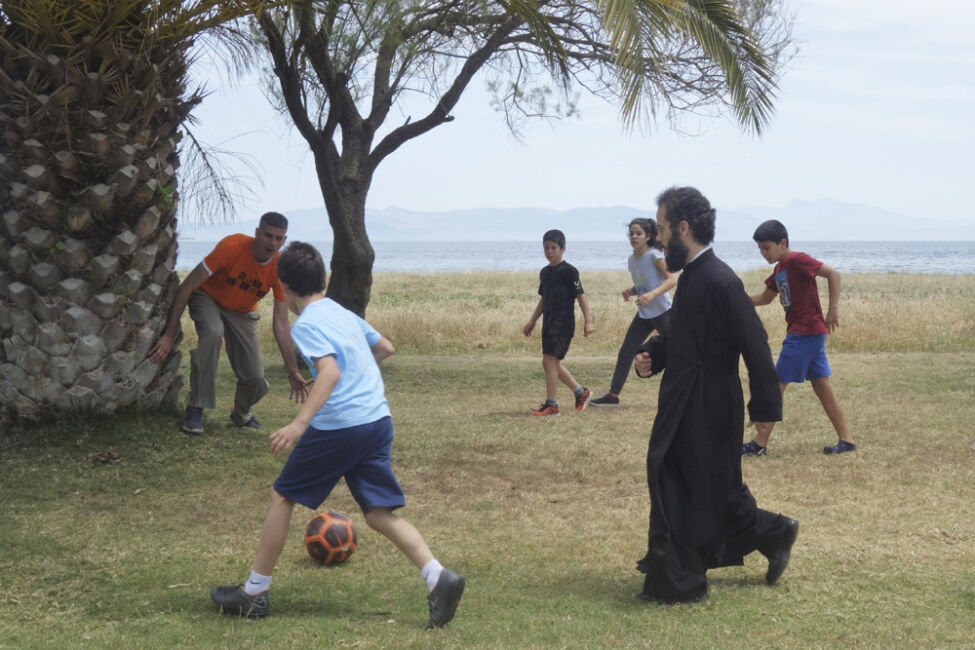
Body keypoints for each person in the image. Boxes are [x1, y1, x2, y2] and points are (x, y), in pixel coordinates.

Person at [208, 241, 466, 627]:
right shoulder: (342, 313)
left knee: (282, 497)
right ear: (324, 279)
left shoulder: (307, 324)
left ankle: (254, 593)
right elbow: (384, 348)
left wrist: (298, 424)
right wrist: (346, 374)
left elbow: (330, 373)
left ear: (284, 287)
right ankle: (437, 576)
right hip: (377, 420)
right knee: (379, 513)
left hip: (342, 426)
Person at [633, 187, 799, 603]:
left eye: (663, 228)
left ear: (683, 229)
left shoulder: (721, 280)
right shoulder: (692, 277)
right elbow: (685, 334)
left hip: (710, 405)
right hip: (685, 400)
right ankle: (775, 533)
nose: (658, 238)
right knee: (700, 487)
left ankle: (681, 581)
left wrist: (765, 408)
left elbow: (756, 343)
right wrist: (656, 352)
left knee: (691, 487)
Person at [148, 212, 309, 435]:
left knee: (255, 378)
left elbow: (281, 323)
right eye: (268, 236)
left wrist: (292, 371)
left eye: (278, 238)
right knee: (213, 333)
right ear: (257, 233)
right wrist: (168, 334)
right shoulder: (231, 247)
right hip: (208, 298)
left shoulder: (280, 269)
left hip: (242, 312)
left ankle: (241, 413)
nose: (272, 243)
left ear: (284, 240)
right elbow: (186, 287)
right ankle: (196, 406)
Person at [743, 220, 856, 456]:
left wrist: (832, 310)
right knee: (822, 386)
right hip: (809, 333)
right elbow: (765, 298)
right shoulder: (779, 269)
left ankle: (759, 444)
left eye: (767, 248)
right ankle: (846, 441)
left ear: (782, 243)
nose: (764, 254)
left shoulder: (796, 260)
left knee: (776, 384)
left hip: (804, 332)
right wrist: (734, 298)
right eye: (760, 249)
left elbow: (833, 274)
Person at [590, 218, 676, 407]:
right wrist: (632, 291)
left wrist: (652, 295)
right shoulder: (632, 260)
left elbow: (671, 280)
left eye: (638, 233)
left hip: (663, 313)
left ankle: (684, 393)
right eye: (631, 233)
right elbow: (645, 284)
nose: (634, 237)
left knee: (678, 353)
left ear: (649, 236)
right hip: (644, 315)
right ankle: (613, 396)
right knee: (626, 352)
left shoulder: (655, 256)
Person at [522, 229, 595, 416]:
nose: (549, 252)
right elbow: (543, 300)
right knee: (550, 363)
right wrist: (532, 321)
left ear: (563, 249)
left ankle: (552, 405)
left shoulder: (569, 271)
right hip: (548, 323)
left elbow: (581, 297)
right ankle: (581, 392)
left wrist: (588, 321)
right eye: (546, 248)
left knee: (549, 361)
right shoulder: (545, 273)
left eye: (553, 248)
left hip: (563, 324)